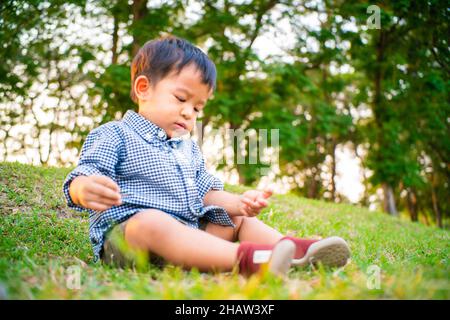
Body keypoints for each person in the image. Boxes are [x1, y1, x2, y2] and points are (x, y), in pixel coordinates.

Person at [63, 35, 350, 277]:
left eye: (198, 108)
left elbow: (206, 193)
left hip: (192, 240)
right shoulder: (115, 134)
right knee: (150, 222)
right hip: (132, 242)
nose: (189, 113)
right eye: (181, 99)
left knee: (232, 217)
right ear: (143, 88)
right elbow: (86, 172)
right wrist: (83, 189)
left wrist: (238, 203)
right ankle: (252, 259)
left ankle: (296, 253)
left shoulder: (188, 149)